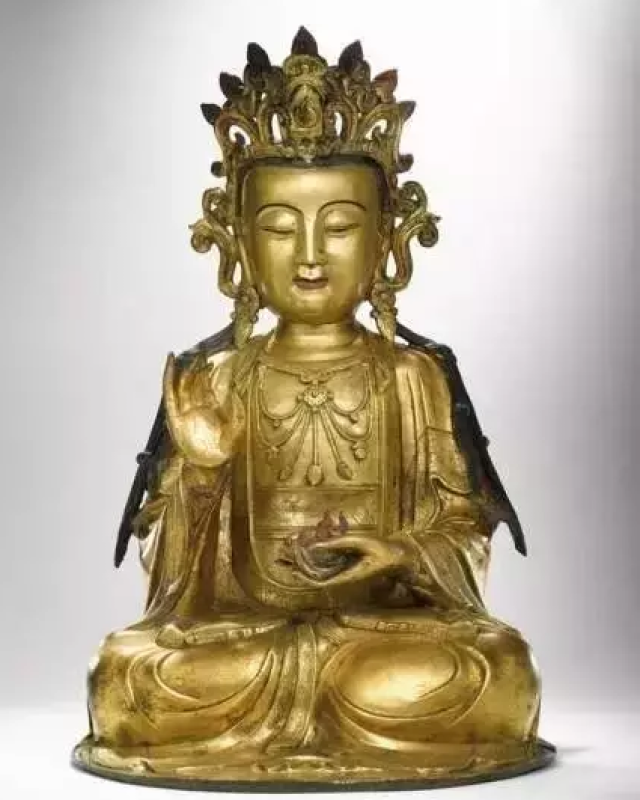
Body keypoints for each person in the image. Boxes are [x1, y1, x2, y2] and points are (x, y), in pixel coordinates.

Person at [73, 27, 554, 789]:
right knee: (125, 674)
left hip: (381, 637)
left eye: (339, 226)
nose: (307, 254)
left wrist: (402, 554)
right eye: (277, 227)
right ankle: (305, 709)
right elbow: (170, 590)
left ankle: (320, 706)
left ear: (389, 241)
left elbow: (465, 534)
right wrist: (203, 475)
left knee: (498, 667)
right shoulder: (218, 378)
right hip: (245, 639)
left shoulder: (415, 377)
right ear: (235, 244)